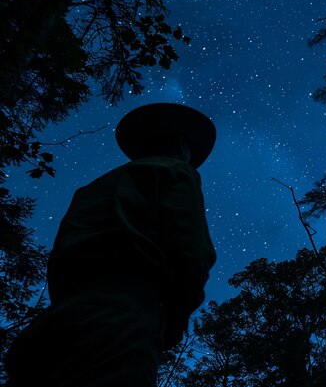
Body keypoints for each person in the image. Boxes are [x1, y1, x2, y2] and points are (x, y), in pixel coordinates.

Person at [5, 103, 217, 387]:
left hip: (53, 324)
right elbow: (191, 253)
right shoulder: (176, 171)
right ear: (181, 145)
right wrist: (174, 323)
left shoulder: (90, 190)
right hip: (119, 320)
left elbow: (58, 259)